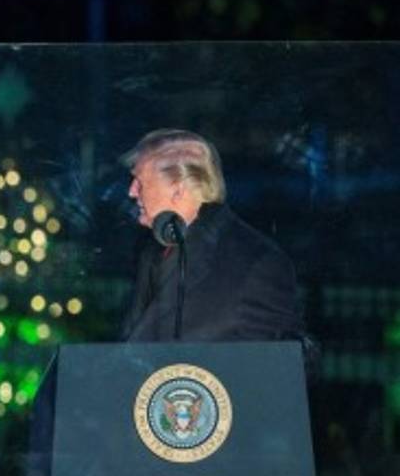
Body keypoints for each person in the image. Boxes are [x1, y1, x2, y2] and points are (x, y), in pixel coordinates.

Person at [121, 128, 307, 343]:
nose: (132, 192)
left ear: (178, 189)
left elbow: (276, 362)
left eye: (140, 182)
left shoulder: (257, 262)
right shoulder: (154, 252)